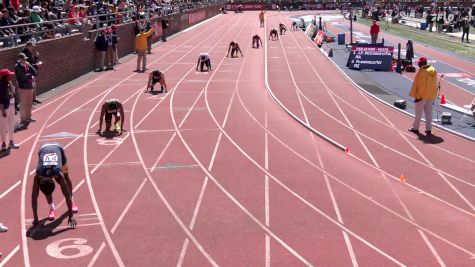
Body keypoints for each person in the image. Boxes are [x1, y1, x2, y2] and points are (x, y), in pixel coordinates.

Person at [32, 143, 78, 228]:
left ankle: (72, 201)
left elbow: (66, 194)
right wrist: (35, 218)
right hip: (43, 149)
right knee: (46, 187)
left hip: (58, 148)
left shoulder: (58, 173)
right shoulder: (38, 174)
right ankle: (51, 207)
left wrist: (71, 215)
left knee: (66, 177)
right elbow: (34, 197)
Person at [408, 57, 438, 135]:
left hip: (422, 95)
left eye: (419, 62)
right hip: (431, 95)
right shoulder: (433, 70)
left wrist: (418, 96)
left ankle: (415, 128)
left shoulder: (423, 72)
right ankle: (429, 129)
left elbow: (421, 85)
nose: (418, 64)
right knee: (429, 113)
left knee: (418, 112)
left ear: (423, 63)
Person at [15, 53, 37, 126]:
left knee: (29, 103)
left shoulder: (27, 64)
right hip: (23, 87)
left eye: (25, 59)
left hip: (29, 86)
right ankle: (23, 119)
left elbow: (35, 72)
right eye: (23, 59)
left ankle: (28, 117)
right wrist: (30, 75)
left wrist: (30, 65)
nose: (25, 60)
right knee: (24, 104)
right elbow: (23, 77)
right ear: (20, 59)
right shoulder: (18, 66)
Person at [0, 69, 19, 151]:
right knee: (3, 126)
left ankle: (11, 142)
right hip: (4, 108)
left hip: (11, 106)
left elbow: (13, 95)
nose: (11, 76)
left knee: (11, 125)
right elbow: (0, 99)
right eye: (9, 75)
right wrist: (3, 110)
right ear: (5, 77)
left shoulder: (9, 83)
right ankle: (3, 143)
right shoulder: (1, 85)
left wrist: (15, 107)